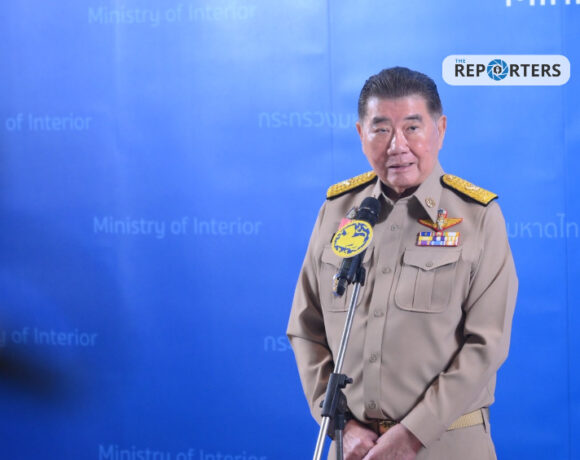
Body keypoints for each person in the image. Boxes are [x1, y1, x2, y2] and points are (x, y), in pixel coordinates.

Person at [287, 67, 518, 460]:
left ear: (440, 129)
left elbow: (486, 344)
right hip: (354, 448)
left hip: (446, 445)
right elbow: (305, 328)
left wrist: (413, 433)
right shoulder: (337, 211)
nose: (397, 145)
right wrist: (339, 424)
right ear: (361, 134)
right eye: (380, 129)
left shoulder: (478, 217)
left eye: (412, 127)